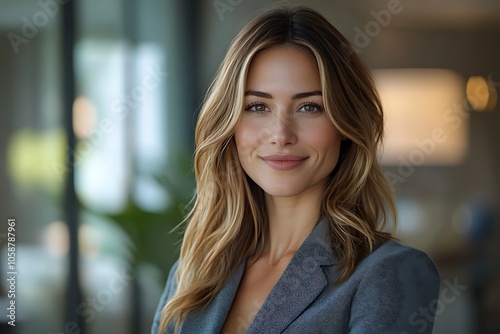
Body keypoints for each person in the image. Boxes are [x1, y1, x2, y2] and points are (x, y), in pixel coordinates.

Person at [152, 6, 440, 334]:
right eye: (257, 106)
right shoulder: (191, 273)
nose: (281, 135)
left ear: (345, 125)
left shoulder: (389, 273)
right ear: (230, 124)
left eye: (309, 107)